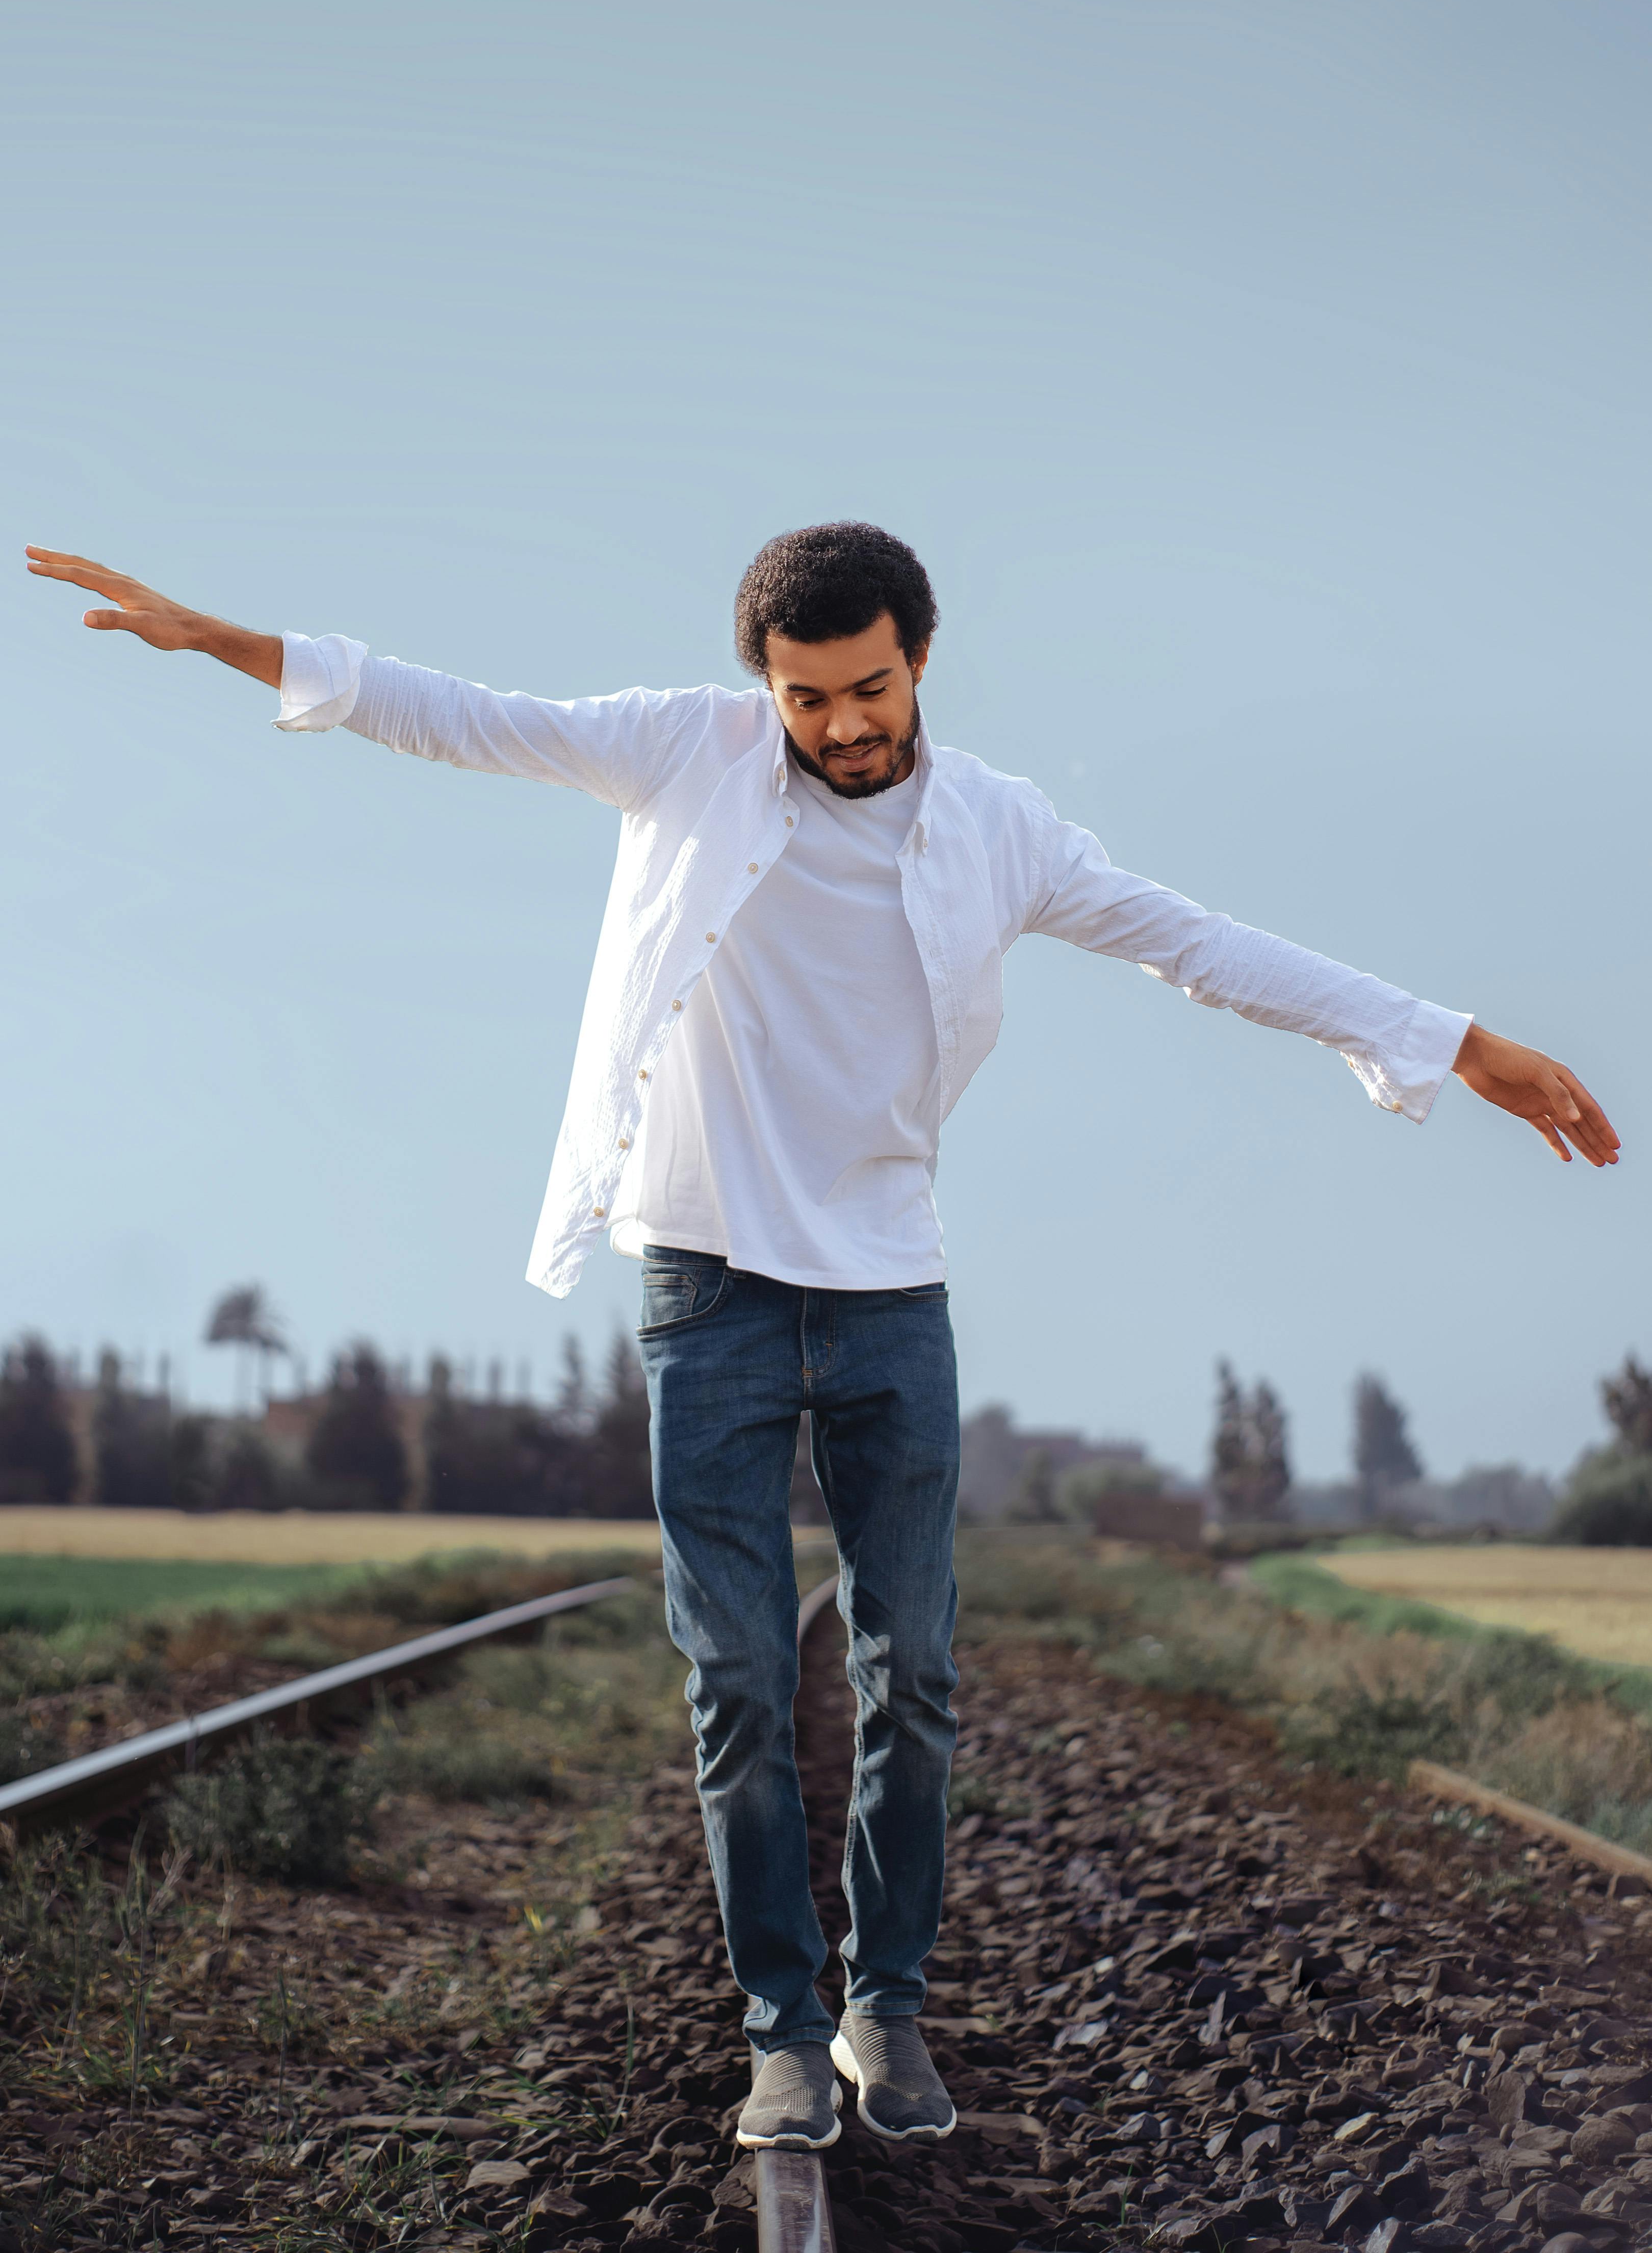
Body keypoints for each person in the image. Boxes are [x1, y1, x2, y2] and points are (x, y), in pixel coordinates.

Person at [27, 525, 1620, 2151]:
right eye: (806, 698)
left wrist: (1452, 1039)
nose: (842, 724)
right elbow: (458, 712)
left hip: (887, 1294)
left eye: (866, 688)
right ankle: (782, 2029)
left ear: (919, 659)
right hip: (706, 1291)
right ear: (762, 688)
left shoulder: (1006, 833)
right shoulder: (683, 754)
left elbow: (1199, 945)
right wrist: (231, 642)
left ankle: (888, 2012)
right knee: (733, 1681)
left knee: (912, 1673)